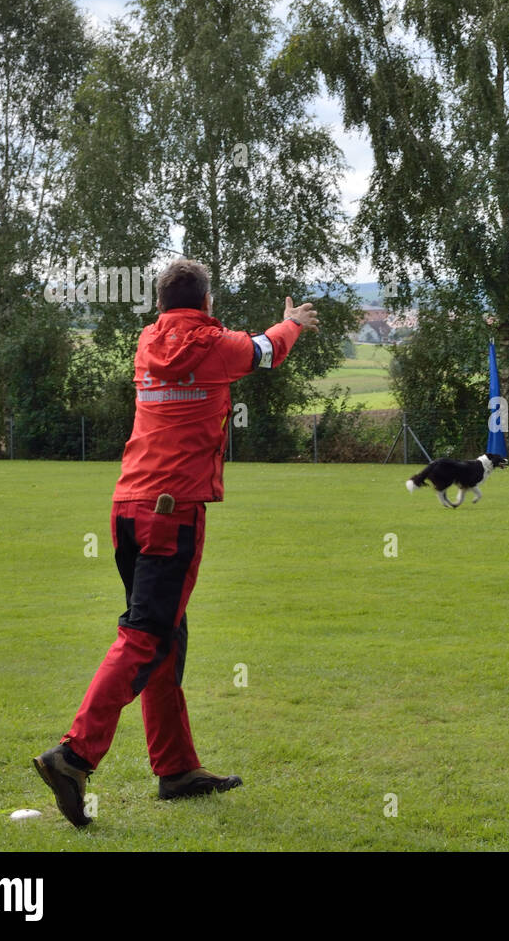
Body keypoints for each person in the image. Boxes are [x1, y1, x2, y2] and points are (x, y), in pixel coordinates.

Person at [33, 259, 318, 827]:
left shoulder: (145, 342)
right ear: (206, 302)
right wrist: (294, 324)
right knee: (144, 636)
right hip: (172, 513)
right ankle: (74, 754)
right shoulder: (214, 345)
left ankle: (176, 769)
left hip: (127, 509)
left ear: (161, 304)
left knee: (165, 633)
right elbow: (265, 351)